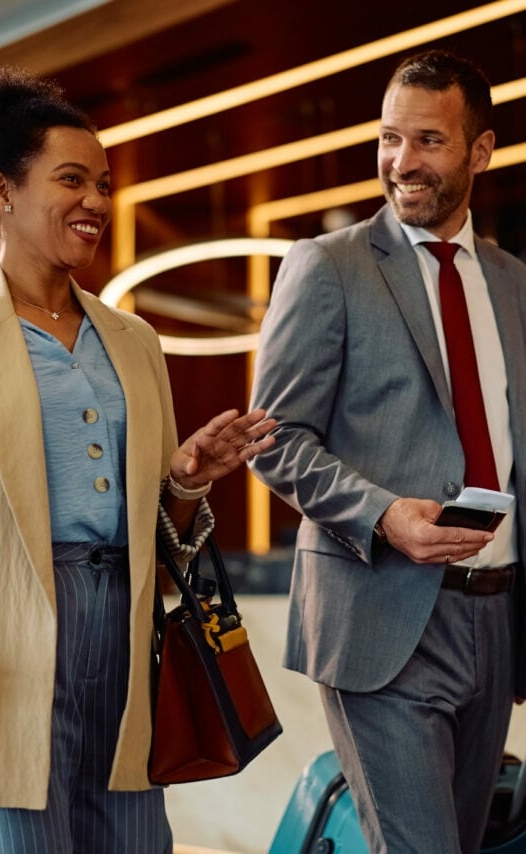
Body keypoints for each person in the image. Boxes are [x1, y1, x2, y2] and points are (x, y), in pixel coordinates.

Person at [0, 66, 276, 853]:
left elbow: (163, 527)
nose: (97, 202)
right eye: (71, 180)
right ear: (2, 190)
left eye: (104, 185)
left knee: (132, 839)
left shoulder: (134, 340)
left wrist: (187, 478)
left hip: (125, 631)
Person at [249, 49, 526, 854]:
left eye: (429, 141)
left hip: (496, 615)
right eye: (388, 139)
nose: (401, 163)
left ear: (479, 151)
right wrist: (383, 516)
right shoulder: (327, 268)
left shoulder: (513, 283)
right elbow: (277, 441)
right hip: (382, 609)